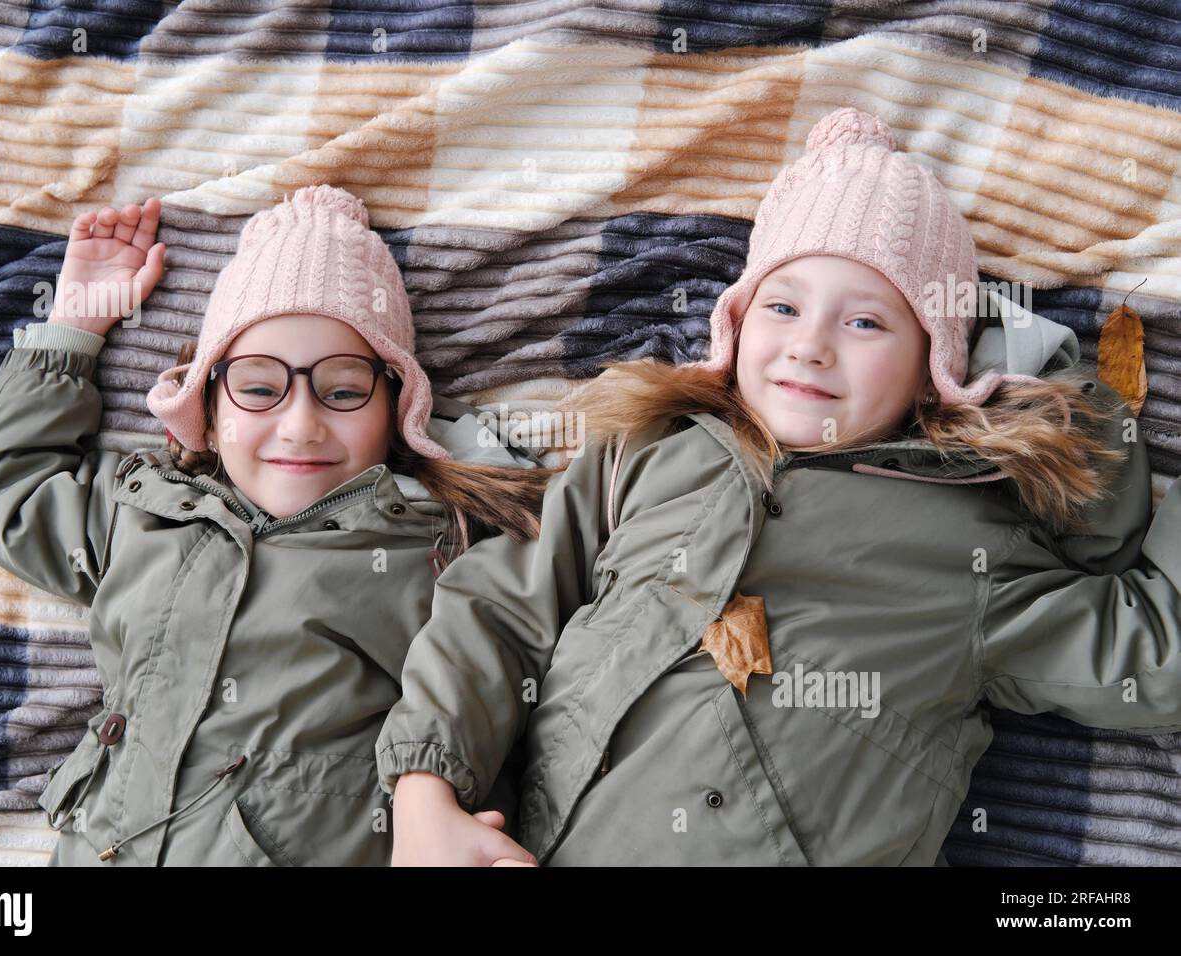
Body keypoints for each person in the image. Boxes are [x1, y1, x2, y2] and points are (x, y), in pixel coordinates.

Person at [376, 107, 1181, 866]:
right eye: (784, 306)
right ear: (736, 324)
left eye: (866, 322)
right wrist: (425, 788)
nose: (811, 347)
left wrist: (1082, 426)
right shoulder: (648, 455)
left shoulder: (971, 542)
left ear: (936, 365)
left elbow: (1151, 656)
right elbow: (497, 610)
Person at [0, 184, 548, 865]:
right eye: (260, 389)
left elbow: (503, 654)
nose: (300, 423)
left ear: (399, 411)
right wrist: (75, 329)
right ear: (205, 408)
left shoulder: (437, 542)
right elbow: (4, 492)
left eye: (345, 391)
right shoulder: (147, 516)